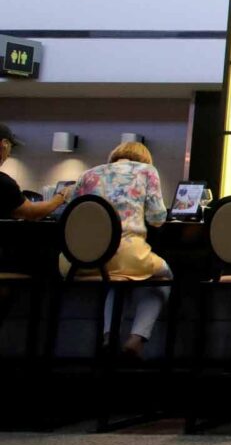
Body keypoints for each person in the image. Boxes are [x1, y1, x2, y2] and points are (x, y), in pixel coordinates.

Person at [60, 142, 171, 360]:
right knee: (164, 277)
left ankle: (109, 336)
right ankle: (137, 338)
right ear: (145, 159)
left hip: (78, 261)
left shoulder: (88, 174)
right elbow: (157, 219)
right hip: (128, 257)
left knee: (112, 280)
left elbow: (71, 215)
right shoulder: (147, 171)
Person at [0, 124, 69, 221]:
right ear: (5, 144)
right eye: (11, 147)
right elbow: (32, 213)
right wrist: (60, 197)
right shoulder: (4, 183)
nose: (9, 154)